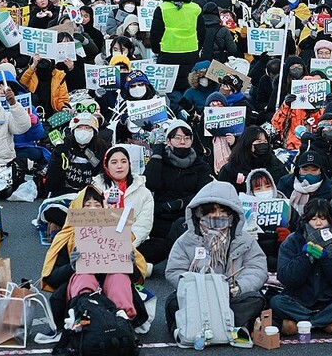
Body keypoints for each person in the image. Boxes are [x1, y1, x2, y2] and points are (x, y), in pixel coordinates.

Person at [165, 181, 270, 335]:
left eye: (223, 210)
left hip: (231, 297)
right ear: (199, 212)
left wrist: (238, 287)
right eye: (211, 211)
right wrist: (196, 286)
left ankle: (207, 325)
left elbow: (257, 268)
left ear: (233, 213)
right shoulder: (186, 240)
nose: (217, 215)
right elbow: (174, 271)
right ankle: (224, 325)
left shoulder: (244, 239)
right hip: (197, 297)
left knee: (256, 299)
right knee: (173, 301)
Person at [40, 186, 148, 327]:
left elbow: (136, 279)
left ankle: (123, 320)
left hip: (112, 292)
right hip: (78, 295)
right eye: (87, 205)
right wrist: (72, 267)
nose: (92, 209)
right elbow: (52, 279)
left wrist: (130, 263)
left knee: (119, 275)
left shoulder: (117, 234)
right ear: (77, 209)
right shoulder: (66, 237)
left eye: (97, 205)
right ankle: (83, 316)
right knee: (84, 275)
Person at [271, 198, 332, 336]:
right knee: (276, 301)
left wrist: (327, 258)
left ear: (331, 220)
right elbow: (285, 277)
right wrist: (305, 258)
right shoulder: (292, 240)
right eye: (313, 219)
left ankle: (307, 322)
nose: (318, 223)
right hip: (298, 300)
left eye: (323, 218)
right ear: (306, 220)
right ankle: (325, 321)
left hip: (330, 300)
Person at [141, 120, 213, 266]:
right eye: (178, 138)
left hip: (187, 217)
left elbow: (204, 194)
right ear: (169, 140)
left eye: (187, 138)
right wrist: (157, 154)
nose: (182, 142)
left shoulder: (201, 165)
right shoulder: (161, 160)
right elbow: (150, 184)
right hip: (161, 215)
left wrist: (181, 204)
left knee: (177, 233)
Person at [92, 146, 154, 248]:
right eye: (114, 162)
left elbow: (143, 225)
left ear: (129, 165)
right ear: (106, 166)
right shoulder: (95, 190)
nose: (119, 166)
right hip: (102, 242)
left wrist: (127, 244)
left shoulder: (144, 193)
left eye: (124, 161)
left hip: (134, 243)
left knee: (159, 246)